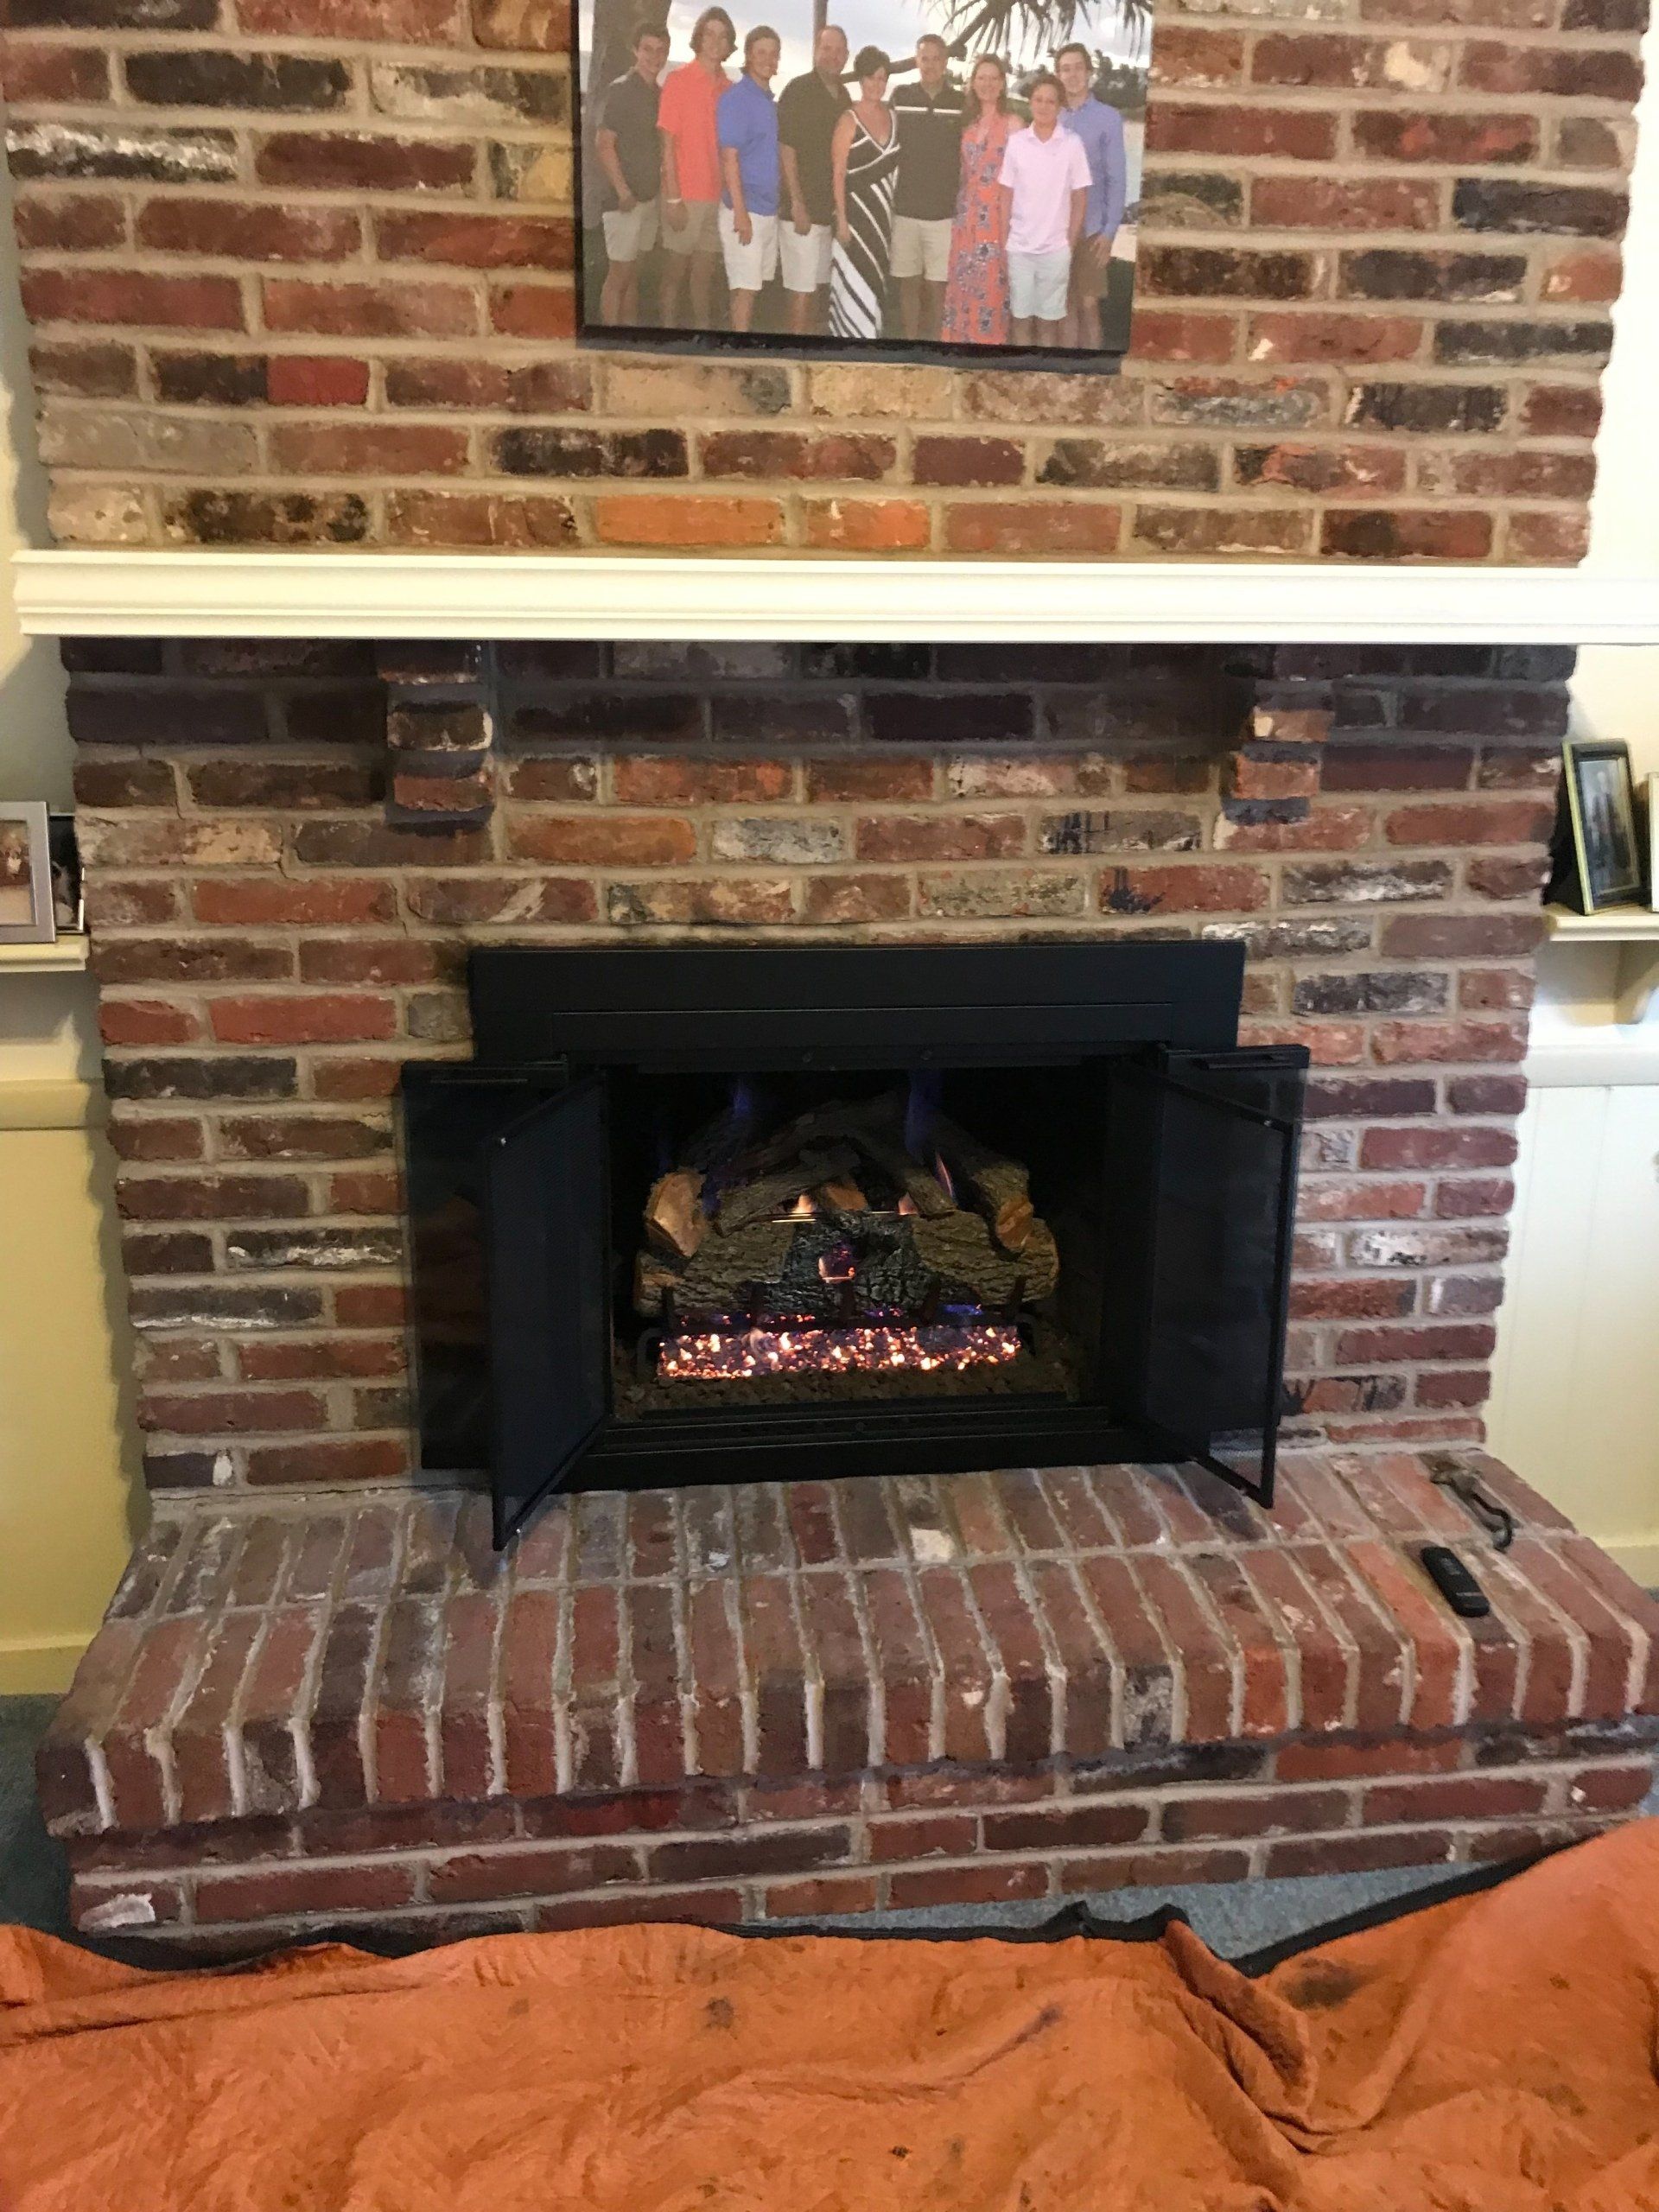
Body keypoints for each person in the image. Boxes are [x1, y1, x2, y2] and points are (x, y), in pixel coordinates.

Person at [997, 72, 1090, 348]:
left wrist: (1068, 244)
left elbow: (1080, 197)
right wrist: (1006, 242)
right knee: (1021, 321)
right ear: (1030, 103)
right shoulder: (1017, 143)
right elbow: (1005, 195)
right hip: (1020, 249)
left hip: (1055, 250)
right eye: (1038, 100)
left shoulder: (1072, 144)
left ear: (1060, 106)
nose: (1043, 106)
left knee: (1049, 325)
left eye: (1050, 101)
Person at [658, 5, 734, 328]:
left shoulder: (729, 89)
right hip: (685, 196)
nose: (715, 41)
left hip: (717, 199)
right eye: (709, 34)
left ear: (729, 44)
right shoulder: (678, 81)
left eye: (723, 36)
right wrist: (673, 200)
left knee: (703, 279)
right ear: (699, 38)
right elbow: (666, 147)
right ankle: (666, 341)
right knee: (673, 276)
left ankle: (702, 341)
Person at [594, 19, 671, 327]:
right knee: (619, 275)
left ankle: (629, 336)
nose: (654, 57)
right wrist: (623, 191)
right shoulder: (621, 90)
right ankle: (609, 340)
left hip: (648, 200)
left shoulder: (660, 94)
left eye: (661, 51)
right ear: (635, 51)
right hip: (623, 201)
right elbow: (604, 144)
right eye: (648, 50)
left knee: (635, 273)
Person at [889, 32, 964, 341]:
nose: (930, 65)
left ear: (945, 62)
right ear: (916, 61)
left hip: (944, 215)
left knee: (938, 288)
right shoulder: (901, 96)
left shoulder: (961, 102)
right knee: (908, 283)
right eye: (924, 58)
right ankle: (911, 343)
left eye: (936, 58)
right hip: (905, 209)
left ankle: (935, 345)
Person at [777, 23, 850, 337]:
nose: (832, 56)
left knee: (818, 289)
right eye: (827, 48)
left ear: (846, 56)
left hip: (828, 213)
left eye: (838, 50)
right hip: (802, 211)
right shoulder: (798, 89)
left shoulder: (844, 95)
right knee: (801, 292)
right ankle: (796, 354)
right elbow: (786, 148)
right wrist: (796, 202)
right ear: (816, 51)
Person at [1054, 41, 1126, 351]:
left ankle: (1094, 373)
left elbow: (1117, 179)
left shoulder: (1107, 117)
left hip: (1092, 229)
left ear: (1089, 72)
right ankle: (1070, 376)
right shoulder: (1051, 116)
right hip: (1055, 230)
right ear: (1058, 75)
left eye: (1078, 68)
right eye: (1065, 69)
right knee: (1065, 308)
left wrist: (1109, 233)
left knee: (1089, 307)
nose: (1072, 75)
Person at [940, 53, 1013, 347]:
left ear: (1003, 84)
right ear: (972, 83)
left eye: (993, 78)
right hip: (966, 218)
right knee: (963, 287)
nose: (987, 84)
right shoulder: (967, 126)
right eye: (981, 78)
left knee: (992, 291)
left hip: (996, 218)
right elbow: (960, 174)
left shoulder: (1013, 124)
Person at [830, 46, 900, 341]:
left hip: (882, 220)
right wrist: (842, 220)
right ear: (861, 79)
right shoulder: (848, 120)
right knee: (852, 283)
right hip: (855, 219)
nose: (876, 84)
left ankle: (871, 337)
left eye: (882, 78)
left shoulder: (894, 117)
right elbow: (837, 174)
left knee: (875, 281)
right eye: (871, 77)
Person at [716, 26, 783, 334]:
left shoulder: (768, 100)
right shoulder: (737, 99)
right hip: (746, 212)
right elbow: (729, 158)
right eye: (761, 52)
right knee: (744, 291)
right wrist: (741, 213)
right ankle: (738, 359)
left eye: (773, 53)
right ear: (748, 56)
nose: (768, 59)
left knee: (751, 288)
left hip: (767, 211)